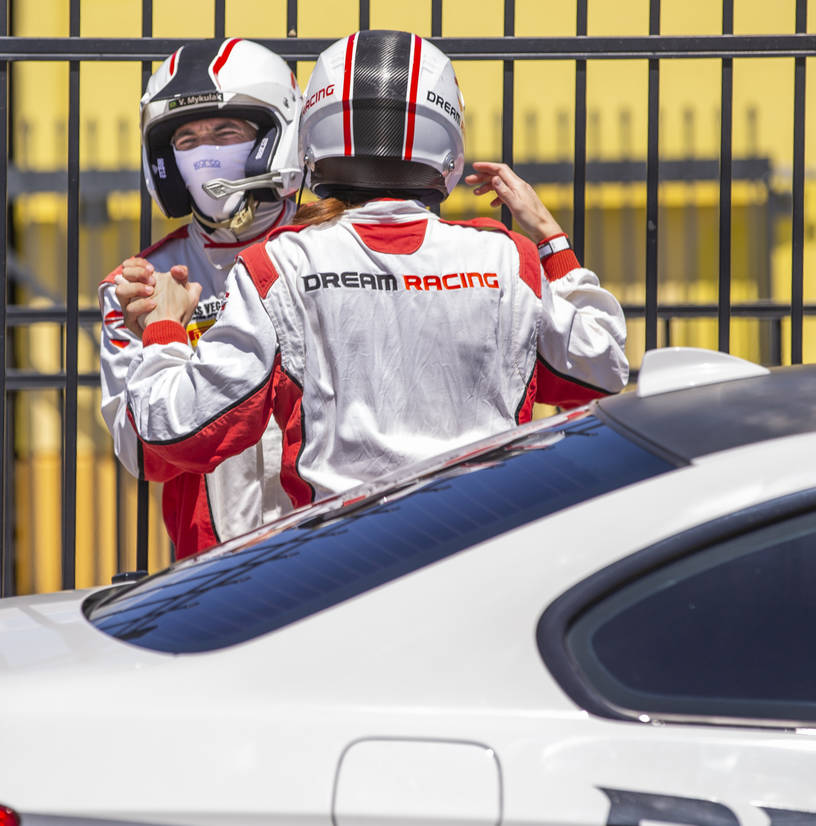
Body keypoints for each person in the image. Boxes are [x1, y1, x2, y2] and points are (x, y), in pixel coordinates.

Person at [118, 30, 629, 507]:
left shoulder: (280, 263)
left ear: (312, 135)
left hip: (345, 563)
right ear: (447, 137)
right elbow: (601, 367)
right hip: (484, 542)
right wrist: (552, 241)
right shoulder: (506, 256)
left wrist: (164, 327)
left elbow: (178, 430)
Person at [99, 37, 302, 558]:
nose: (205, 151)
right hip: (211, 561)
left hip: (329, 542)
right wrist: (155, 336)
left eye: (225, 131)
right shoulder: (136, 285)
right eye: (187, 140)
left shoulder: (328, 256)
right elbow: (144, 458)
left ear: (271, 138)